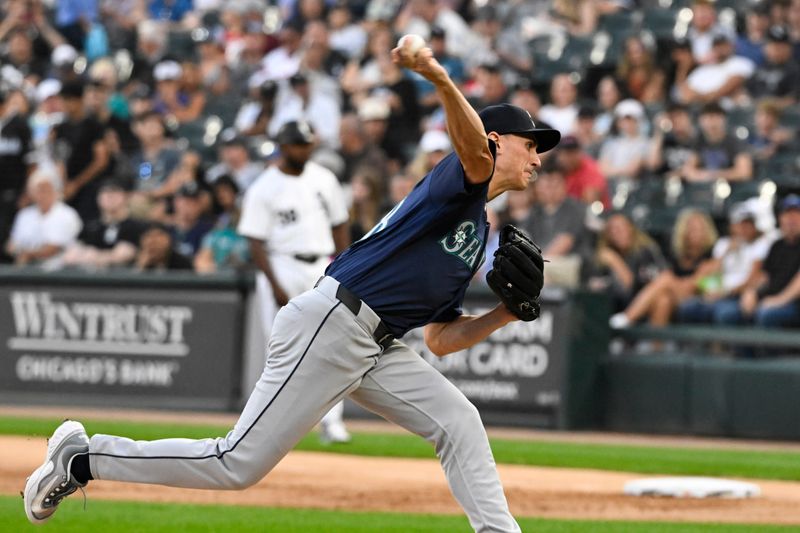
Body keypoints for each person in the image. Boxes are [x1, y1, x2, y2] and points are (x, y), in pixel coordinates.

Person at [23, 44, 559, 533]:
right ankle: (83, 457)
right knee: (234, 463)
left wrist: (505, 316)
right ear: (494, 141)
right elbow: (471, 151)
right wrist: (440, 77)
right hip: (335, 322)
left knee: (458, 420)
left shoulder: (476, 229)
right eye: (531, 144)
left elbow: (441, 338)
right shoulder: (460, 179)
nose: (538, 158)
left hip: (378, 343)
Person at [238, 120, 352, 444]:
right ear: (284, 146)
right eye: (298, 144)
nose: (304, 149)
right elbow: (255, 241)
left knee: (334, 344)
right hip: (281, 263)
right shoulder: (265, 187)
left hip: (322, 265)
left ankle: (332, 423)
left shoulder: (323, 179)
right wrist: (273, 283)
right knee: (280, 349)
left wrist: (346, 268)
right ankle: (268, 425)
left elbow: (340, 224)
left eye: (308, 143)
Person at [610, 208, 718, 329]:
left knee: (666, 279)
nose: (695, 233)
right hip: (674, 300)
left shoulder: (713, 257)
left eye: (699, 229)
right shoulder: (679, 257)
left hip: (697, 301)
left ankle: (626, 318)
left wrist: (679, 282)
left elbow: (699, 288)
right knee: (663, 300)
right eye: (691, 228)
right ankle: (655, 346)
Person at [677, 203, 774, 324]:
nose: (744, 228)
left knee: (724, 313)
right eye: (740, 224)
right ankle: (692, 343)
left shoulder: (761, 245)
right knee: (688, 308)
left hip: (738, 296)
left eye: (748, 224)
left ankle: (720, 343)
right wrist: (725, 254)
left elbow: (754, 277)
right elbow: (711, 275)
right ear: (733, 226)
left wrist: (726, 293)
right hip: (717, 293)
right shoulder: (723, 244)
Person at [715, 195, 800, 328]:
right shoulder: (777, 245)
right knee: (728, 314)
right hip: (769, 298)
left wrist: (780, 300)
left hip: (793, 303)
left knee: (766, 314)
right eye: (788, 214)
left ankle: (773, 349)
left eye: (796, 215)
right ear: (780, 218)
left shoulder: (764, 243)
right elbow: (764, 276)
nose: (791, 219)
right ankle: (742, 350)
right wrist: (752, 292)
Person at [521, 163, 588, 288]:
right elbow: (523, 238)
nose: (549, 190)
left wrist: (535, 264)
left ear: (564, 185)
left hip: (571, 263)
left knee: (538, 271)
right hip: (544, 263)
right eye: (545, 185)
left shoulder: (574, 208)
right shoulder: (535, 211)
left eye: (554, 185)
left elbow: (563, 244)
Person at [586, 211, 666, 312]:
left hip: (643, 307)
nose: (617, 233)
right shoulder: (606, 253)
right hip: (611, 307)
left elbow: (633, 289)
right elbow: (593, 284)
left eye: (621, 228)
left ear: (630, 228)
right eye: (612, 230)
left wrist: (615, 262)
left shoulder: (646, 251)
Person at [61, 179, 147, 270]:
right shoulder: (91, 227)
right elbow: (70, 256)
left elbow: (125, 254)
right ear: (98, 198)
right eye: (105, 193)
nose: (110, 196)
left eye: (115, 192)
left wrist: (94, 256)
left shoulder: (136, 227)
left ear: (125, 197)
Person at [5, 169, 82, 269]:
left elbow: (52, 250)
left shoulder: (67, 214)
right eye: (36, 190)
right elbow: (11, 246)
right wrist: (20, 252)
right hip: (25, 269)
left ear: (55, 190)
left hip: (60, 272)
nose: (41, 194)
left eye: (45, 189)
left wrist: (27, 254)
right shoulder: (24, 215)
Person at [682, 103, 753, 183]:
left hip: (732, 188)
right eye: (708, 118)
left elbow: (744, 172)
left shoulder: (735, 141)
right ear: (701, 121)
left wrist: (712, 175)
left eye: (716, 118)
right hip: (704, 190)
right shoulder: (698, 141)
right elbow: (688, 170)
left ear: (724, 119)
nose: (712, 123)